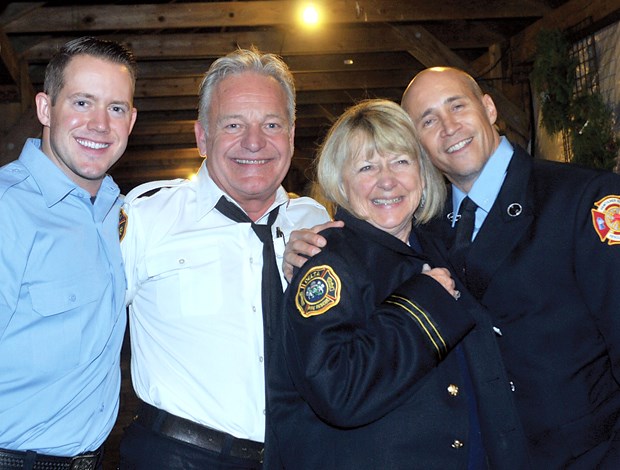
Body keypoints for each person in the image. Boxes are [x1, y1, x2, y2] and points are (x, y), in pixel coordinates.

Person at [285, 66, 620, 468]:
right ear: (421, 143)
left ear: (490, 108)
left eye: (457, 106)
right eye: (428, 120)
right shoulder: (426, 228)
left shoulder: (580, 198)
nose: (448, 127)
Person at [270, 98, 533, 469]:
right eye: (366, 167)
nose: (387, 180)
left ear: (423, 175)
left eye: (401, 161)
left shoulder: (438, 247)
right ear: (340, 185)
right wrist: (422, 305)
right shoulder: (329, 262)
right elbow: (338, 389)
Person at [118, 47, 331, 469]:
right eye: (233, 124)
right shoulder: (146, 217)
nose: (255, 142)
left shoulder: (314, 220)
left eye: (271, 124)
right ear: (202, 137)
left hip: (302, 454)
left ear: (290, 136)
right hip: (178, 457)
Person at [0, 36, 137, 469]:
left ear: (131, 121)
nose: (100, 124)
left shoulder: (121, 212)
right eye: (82, 102)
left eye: (115, 108)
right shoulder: (8, 208)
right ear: (45, 109)